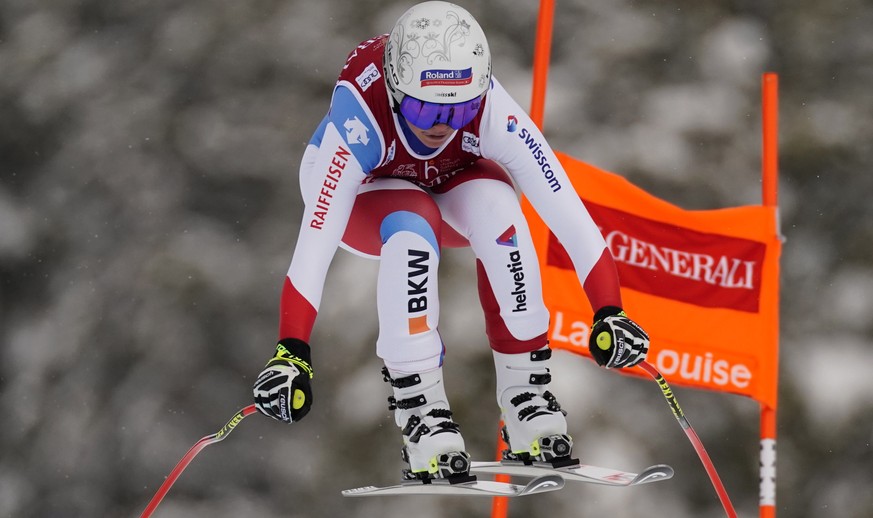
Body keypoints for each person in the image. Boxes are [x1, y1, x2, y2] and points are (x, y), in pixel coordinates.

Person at [252, 1, 650, 481]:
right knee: (412, 223)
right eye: (426, 107)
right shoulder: (362, 113)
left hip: (447, 177)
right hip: (367, 193)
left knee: (504, 212)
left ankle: (528, 400)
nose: (443, 122)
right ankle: (422, 413)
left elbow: (568, 213)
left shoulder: (489, 110)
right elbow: (313, 247)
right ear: (399, 92)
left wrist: (610, 309)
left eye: (459, 109)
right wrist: (291, 349)